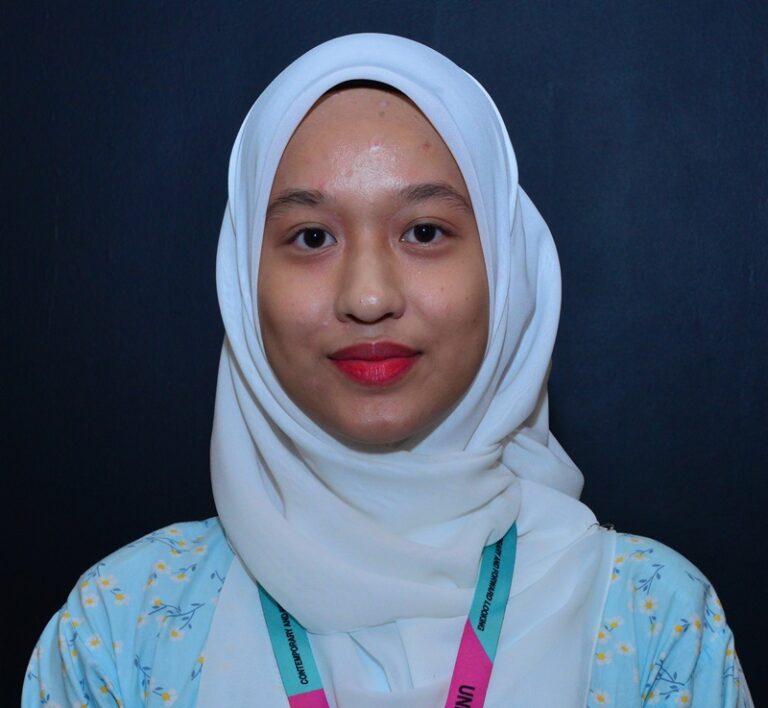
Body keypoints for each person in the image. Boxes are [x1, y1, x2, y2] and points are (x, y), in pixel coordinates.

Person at [23, 33, 752, 707]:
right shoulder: (121, 628)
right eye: (312, 237)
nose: (369, 297)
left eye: (425, 231)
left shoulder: (657, 624)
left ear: (507, 272)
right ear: (243, 282)